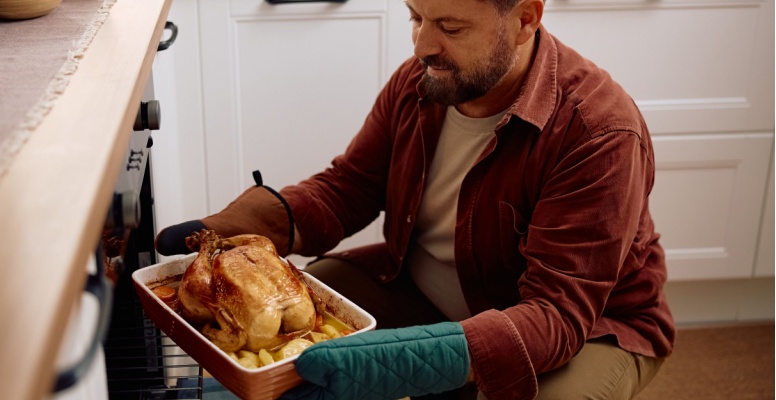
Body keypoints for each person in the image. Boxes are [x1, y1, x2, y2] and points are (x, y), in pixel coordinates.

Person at [156, 0, 675, 398]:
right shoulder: (424, 81)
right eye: (415, 16)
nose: (422, 46)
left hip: (589, 329)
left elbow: (556, 314)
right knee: (318, 293)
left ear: (525, 19)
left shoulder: (599, 132)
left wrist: (410, 361)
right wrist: (236, 224)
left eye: (449, 27)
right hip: (421, 284)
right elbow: (350, 186)